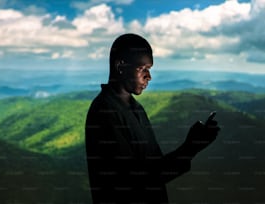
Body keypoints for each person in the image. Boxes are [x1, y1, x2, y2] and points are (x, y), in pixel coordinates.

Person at [85, 33, 220, 204]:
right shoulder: (104, 112)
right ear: (120, 66)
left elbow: (154, 168)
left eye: (149, 69)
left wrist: (192, 147)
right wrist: (190, 148)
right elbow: (134, 182)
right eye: (142, 69)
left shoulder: (137, 109)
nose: (149, 77)